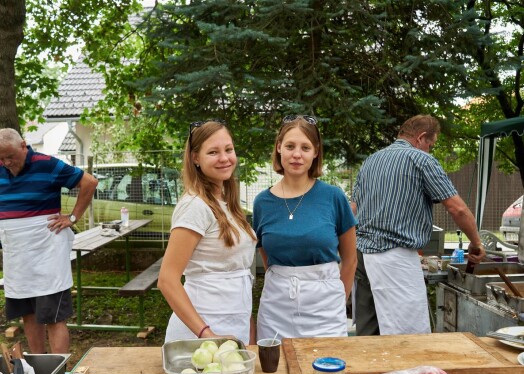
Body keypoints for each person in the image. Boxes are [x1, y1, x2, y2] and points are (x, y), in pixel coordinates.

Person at [351, 114, 486, 336]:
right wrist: (476, 242)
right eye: (430, 145)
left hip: (362, 256)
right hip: (394, 257)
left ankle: (371, 371)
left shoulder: (370, 161)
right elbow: (457, 209)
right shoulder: (421, 159)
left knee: (369, 332)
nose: (429, 150)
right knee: (409, 335)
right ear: (422, 138)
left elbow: (353, 209)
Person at [252, 115, 358, 340]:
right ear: (279, 148)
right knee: (275, 372)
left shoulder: (333, 197)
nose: (297, 154)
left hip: (325, 311)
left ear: (316, 152)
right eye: (290, 146)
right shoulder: (262, 202)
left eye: (305, 147)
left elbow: (350, 259)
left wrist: (338, 299)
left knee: (326, 372)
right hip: (275, 310)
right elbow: (268, 258)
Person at [158, 119, 257, 345]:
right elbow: (167, 280)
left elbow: (237, 273)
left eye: (228, 149)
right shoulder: (195, 205)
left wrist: (248, 330)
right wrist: (207, 335)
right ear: (195, 158)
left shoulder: (226, 202)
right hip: (203, 334)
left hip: (232, 327)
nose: (224, 158)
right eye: (213, 152)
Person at [0, 127, 98, 353]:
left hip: (47, 255)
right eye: (1, 158)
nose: (6, 163)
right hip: (17, 257)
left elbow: (89, 182)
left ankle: (59, 373)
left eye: (10, 157)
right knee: (29, 314)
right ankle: (39, 369)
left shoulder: (47, 164)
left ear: (24, 146)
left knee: (53, 316)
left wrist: (72, 217)